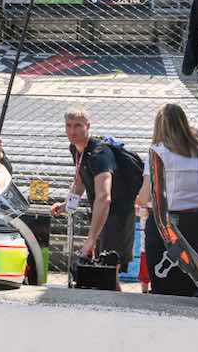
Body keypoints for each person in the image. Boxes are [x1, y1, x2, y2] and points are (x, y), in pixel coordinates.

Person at [136, 103, 198, 297]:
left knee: (162, 285)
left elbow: (145, 196)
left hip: (164, 225)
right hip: (194, 224)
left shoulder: (158, 152)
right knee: (188, 282)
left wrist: (138, 200)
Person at [51, 108, 137, 289]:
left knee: (107, 273)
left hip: (117, 216)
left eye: (78, 126)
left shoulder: (99, 154)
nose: (72, 131)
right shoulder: (76, 149)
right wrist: (67, 205)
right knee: (105, 276)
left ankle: (116, 306)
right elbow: (80, 181)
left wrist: (90, 240)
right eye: (68, 126)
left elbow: (104, 197)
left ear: (88, 126)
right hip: (103, 216)